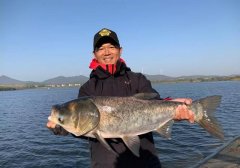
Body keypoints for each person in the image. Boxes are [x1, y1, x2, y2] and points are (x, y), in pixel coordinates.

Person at [47, 28, 194, 168]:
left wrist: (176, 106)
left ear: (120, 50)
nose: (106, 52)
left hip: (146, 163)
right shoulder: (87, 89)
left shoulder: (138, 79)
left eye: (111, 47)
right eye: (101, 48)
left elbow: (157, 103)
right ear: (94, 54)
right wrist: (62, 128)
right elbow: (83, 128)